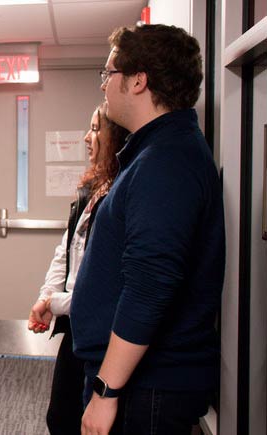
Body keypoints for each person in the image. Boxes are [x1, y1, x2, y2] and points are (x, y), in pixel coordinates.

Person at [71, 24, 225, 435]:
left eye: (109, 74)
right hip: (139, 382)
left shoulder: (166, 161)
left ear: (138, 80)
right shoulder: (155, 151)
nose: (104, 86)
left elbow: (150, 287)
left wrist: (105, 391)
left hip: (145, 387)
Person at [28, 102, 128, 435]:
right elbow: (67, 249)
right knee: (60, 417)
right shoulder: (92, 190)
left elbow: (108, 286)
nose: (87, 138)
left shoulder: (121, 191)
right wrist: (47, 295)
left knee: (81, 421)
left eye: (96, 129)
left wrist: (56, 304)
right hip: (76, 325)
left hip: (103, 333)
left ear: (117, 135)